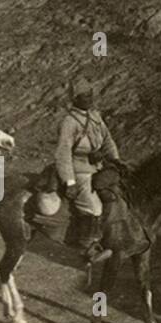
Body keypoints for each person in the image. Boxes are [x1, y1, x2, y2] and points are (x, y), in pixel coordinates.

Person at [55, 78, 119, 264]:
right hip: (79, 169)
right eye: (83, 96)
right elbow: (63, 152)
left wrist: (115, 160)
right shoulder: (69, 122)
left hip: (98, 167)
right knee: (93, 206)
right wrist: (70, 181)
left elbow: (108, 141)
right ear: (75, 99)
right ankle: (88, 246)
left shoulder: (95, 116)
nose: (88, 99)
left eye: (90, 95)